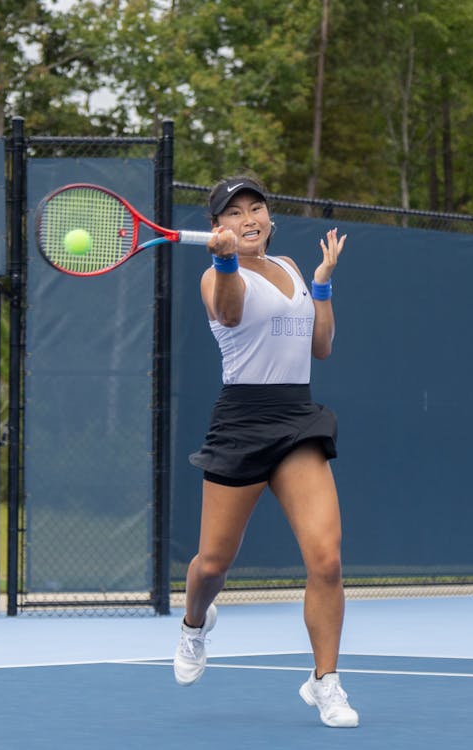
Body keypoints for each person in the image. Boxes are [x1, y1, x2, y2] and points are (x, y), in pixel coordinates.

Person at [173, 175, 358, 729]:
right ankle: (193, 624)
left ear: (270, 221)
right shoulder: (214, 275)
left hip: (297, 419)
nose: (249, 218)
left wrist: (322, 284)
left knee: (326, 558)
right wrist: (228, 263)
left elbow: (320, 346)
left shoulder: (294, 269)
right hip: (242, 421)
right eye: (235, 213)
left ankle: (325, 680)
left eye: (257, 208)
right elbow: (229, 315)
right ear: (218, 228)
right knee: (212, 564)